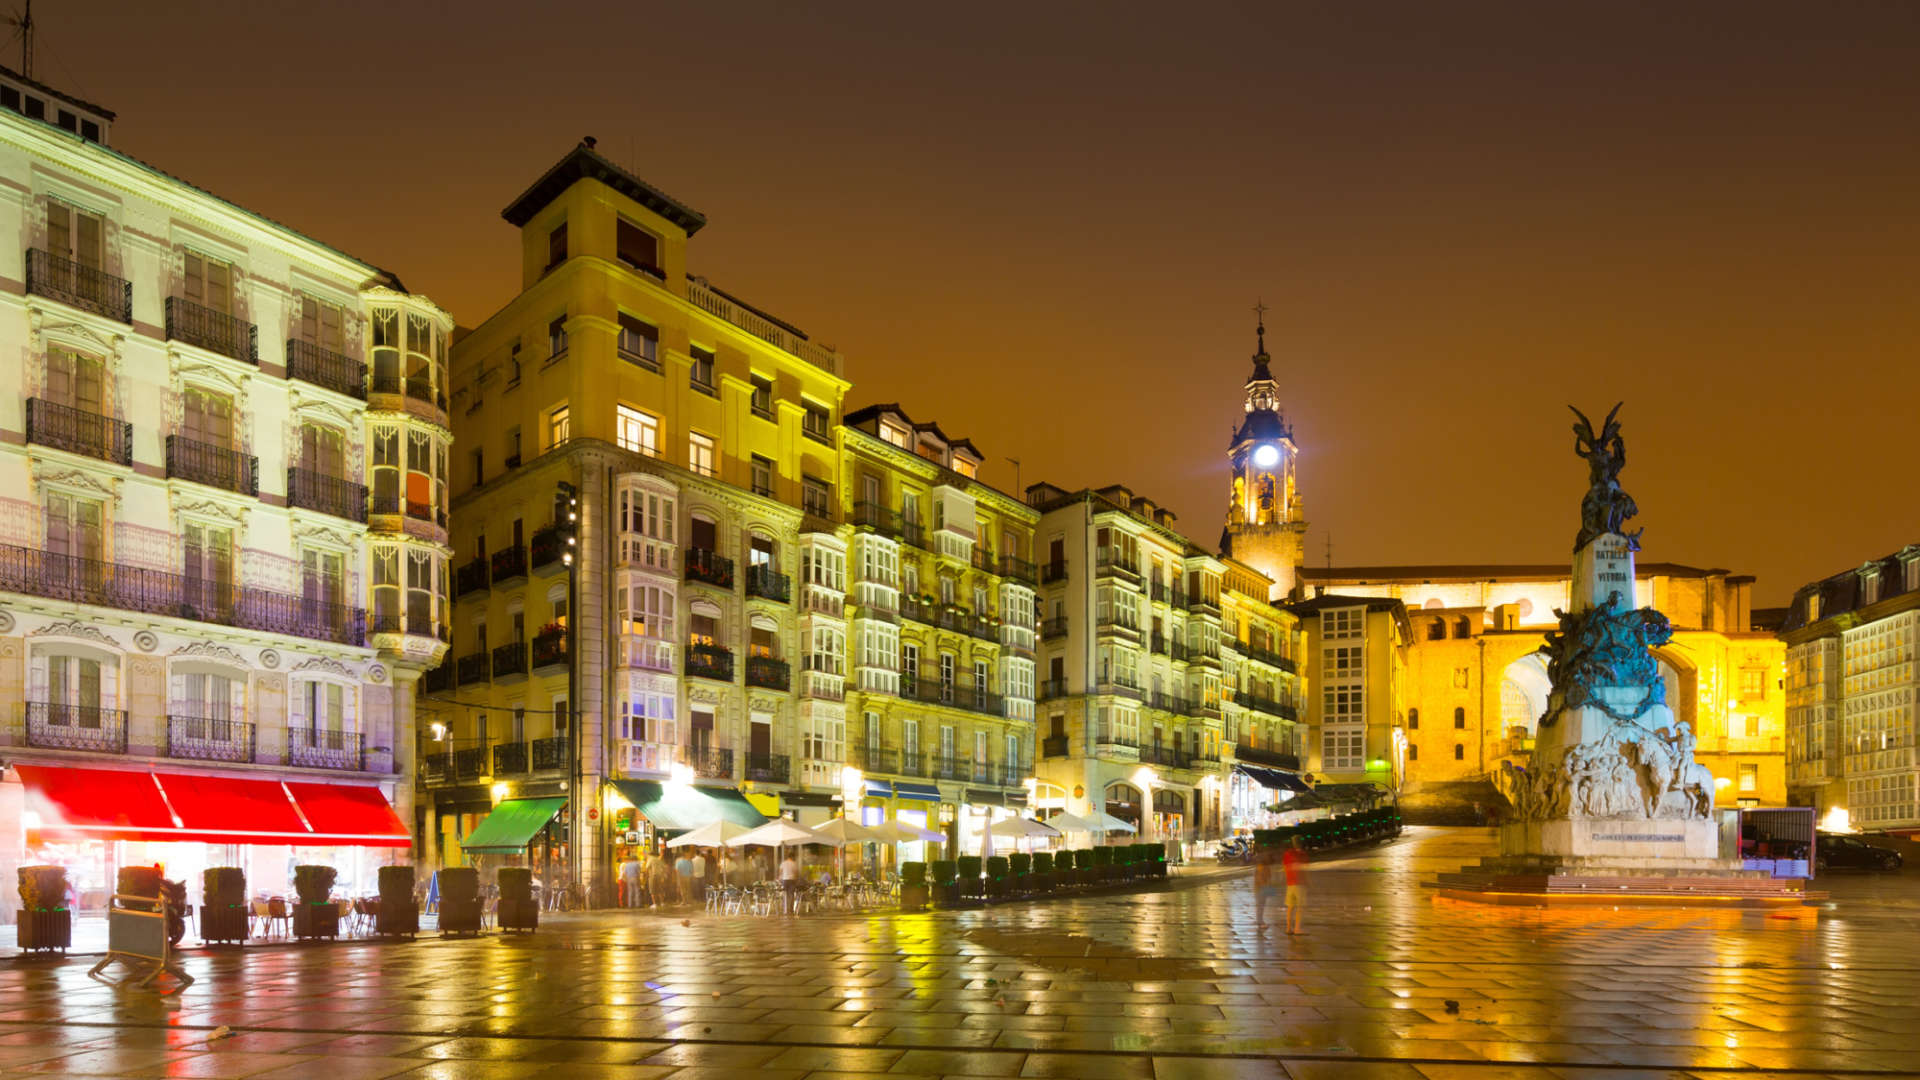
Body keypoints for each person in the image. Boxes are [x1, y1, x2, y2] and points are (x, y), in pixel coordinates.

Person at [1282, 836, 1308, 935]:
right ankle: (1297, 928)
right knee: (1300, 907)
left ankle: (1288, 928)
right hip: (1300, 884)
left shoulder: (1287, 854)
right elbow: (1304, 868)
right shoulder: (1303, 854)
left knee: (1290, 906)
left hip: (1290, 884)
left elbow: (1285, 867)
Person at [1252, 846, 1280, 932]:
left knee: (1260, 905)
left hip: (1261, 888)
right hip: (1261, 888)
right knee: (1260, 905)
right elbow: (1260, 878)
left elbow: (1265, 878)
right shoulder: (1262, 866)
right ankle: (1260, 922)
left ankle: (1259, 920)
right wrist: (1266, 886)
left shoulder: (1263, 866)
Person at [778, 849, 800, 914]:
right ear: (792, 857)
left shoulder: (783, 863)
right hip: (792, 880)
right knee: (791, 895)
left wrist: (780, 879)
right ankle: (790, 909)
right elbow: (796, 873)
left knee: (785, 894)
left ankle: (785, 909)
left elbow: (780, 872)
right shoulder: (794, 863)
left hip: (784, 880)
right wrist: (796, 880)